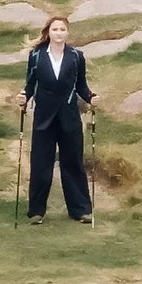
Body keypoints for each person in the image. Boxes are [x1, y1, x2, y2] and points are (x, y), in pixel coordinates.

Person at [21, 12, 95, 223]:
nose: (59, 33)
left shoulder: (76, 56)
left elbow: (81, 85)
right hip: (44, 116)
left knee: (72, 162)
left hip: (69, 117)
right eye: (55, 29)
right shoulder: (36, 56)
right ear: (48, 32)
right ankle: (36, 211)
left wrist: (91, 97)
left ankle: (80, 210)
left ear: (67, 32)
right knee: (40, 163)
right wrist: (23, 97)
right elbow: (30, 85)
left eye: (62, 29)